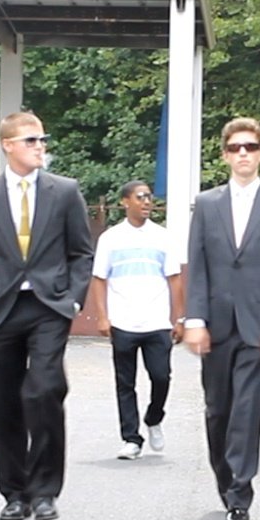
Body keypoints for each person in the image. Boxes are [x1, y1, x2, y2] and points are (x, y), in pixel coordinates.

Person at [0, 111, 93, 520]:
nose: (40, 147)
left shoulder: (65, 192)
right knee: (4, 403)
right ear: (8, 146)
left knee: (44, 390)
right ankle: (14, 493)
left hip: (48, 307)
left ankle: (45, 492)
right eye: (31, 140)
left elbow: (81, 252)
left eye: (42, 140)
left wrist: (72, 300)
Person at [184, 117, 260, 520]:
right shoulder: (208, 204)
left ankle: (240, 495)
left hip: (257, 327)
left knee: (247, 412)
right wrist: (193, 318)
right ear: (225, 155)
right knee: (218, 411)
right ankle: (225, 477)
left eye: (250, 147)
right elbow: (197, 266)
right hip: (214, 324)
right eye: (235, 148)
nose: (243, 154)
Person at [90, 180, 185, 461]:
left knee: (161, 376)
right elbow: (99, 279)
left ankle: (154, 417)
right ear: (125, 202)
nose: (146, 202)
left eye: (149, 198)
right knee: (125, 382)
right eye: (140, 197)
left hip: (156, 321)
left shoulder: (163, 237)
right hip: (122, 321)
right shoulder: (110, 238)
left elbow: (175, 279)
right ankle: (131, 437)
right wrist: (103, 316)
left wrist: (179, 318)